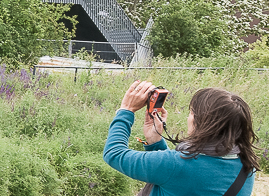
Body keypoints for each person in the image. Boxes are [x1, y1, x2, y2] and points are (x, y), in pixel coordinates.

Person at [105, 81, 257, 196]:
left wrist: (126, 110)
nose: (188, 118)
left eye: (191, 112)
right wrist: (155, 143)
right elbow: (178, 181)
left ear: (202, 122)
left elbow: (114, 153)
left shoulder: (176, 165)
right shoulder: (247, 166)